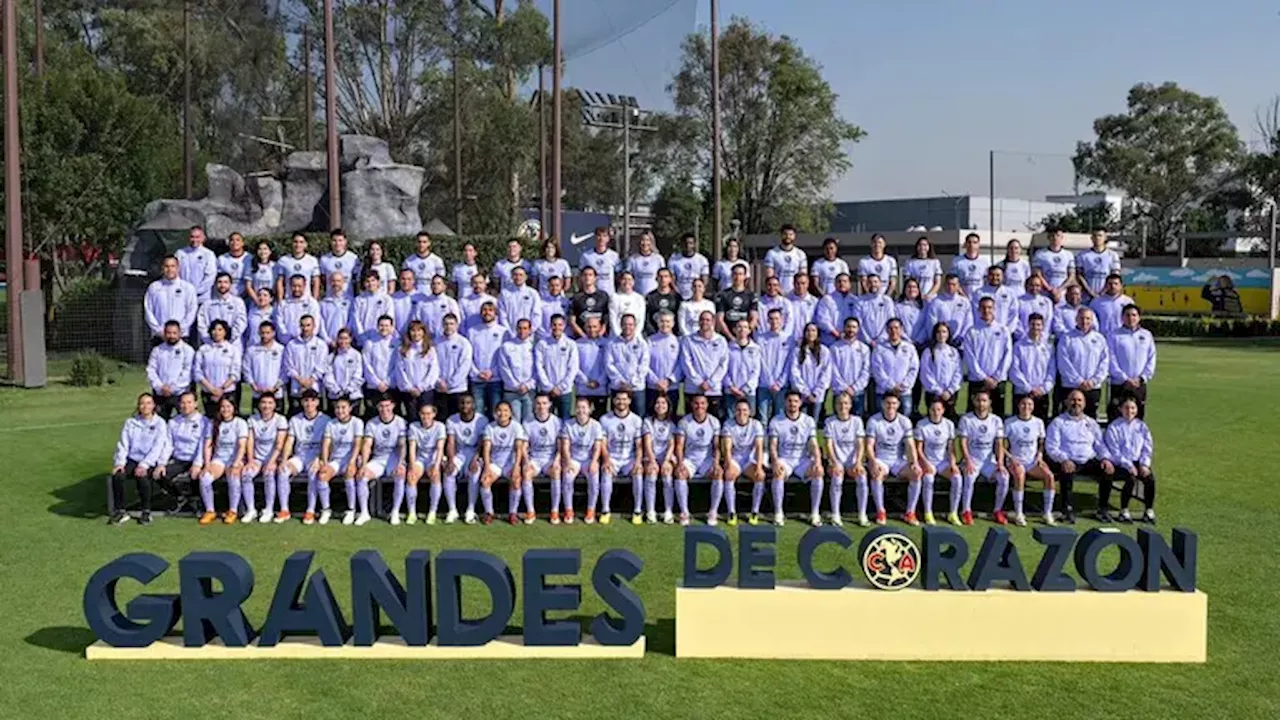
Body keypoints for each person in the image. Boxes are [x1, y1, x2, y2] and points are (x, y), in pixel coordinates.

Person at [1045, 389, 1105, 524]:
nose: (1075, 403)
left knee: (1107, 469)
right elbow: (1051, 447)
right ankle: (1066, 509)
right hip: (1068, 460)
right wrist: (1064, 459)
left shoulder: (1091, 423)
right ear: (1066, 402)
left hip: (1089, 460)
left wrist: (1105, 459)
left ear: (1084, 404)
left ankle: (1102, 509)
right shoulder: (1058, 422)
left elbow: (1100, 445)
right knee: (1067, 470)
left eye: (1079, 400)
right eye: (1073, 400)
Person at [108, 393, 169, 525]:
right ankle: (120, 511)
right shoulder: (130, 422)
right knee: (118, 476)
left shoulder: (160, 423)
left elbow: (158, 446)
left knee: (142, 477)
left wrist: (145, 464)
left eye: (148, 403)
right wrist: (120, 463)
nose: (145, 406)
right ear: (138, 406)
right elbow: (124, 444)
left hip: (150, 460)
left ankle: (146, 511)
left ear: (153, 405)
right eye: (142, 403)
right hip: (132, 458)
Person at [764, 390, 822, 526]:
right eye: (790, 401)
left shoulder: (808, 421)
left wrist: (818, 461)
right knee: (778, 474)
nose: (792, 404)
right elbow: (773, 445)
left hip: (802, 460)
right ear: (785, 402)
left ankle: (815, 513)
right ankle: (778, 513)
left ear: (800, 403)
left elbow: (813, 444)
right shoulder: (776, 421)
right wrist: (775, 461)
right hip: (785, 459)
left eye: (796, 401)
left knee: (818, 472)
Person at [1101, 396, 1157, 524]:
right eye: (1126, 408)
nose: (1129, 411)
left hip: (1138, 461)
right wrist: (1128, 465)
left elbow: (1147, 447)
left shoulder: (1141, 426)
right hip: (1120, 463)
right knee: (1130, 477)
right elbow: (1114, 451)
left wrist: (1144, 464)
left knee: (1150, 478)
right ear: (1121, 409)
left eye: (1132, 408)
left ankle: (1148, 510)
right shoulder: (1114, 427)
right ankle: (1124, 510)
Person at [865, 392, 918, 527]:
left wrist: (914, 463)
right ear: (883, 404)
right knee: (876, 475)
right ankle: (880, 511)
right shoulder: (874, 421)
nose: (891, 406)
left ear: (898, 405)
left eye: (894, 403)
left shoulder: (904, 421)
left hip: (898, 460)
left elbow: (910, 445)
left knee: (916, 474)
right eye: (888, 403)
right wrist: (872, 462)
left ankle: (910, 512)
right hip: (881, 459)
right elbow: (869, 445)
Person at [956, 389, 1008, 526]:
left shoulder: (996, 420)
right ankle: (966, 511)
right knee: (969, 477)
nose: (981, 404)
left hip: (988, 461)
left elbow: (999, 444)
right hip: (972, 459)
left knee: (1004, 477)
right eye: (978, 400)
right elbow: (963, 442)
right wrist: (967, 461)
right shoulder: (966, 419)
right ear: (973, 401)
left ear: (989, 402)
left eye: (984, 400)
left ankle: (998, 510)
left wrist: (1000, 463)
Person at [276, 389, 329, 523]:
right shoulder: (295, 419)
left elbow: (328, 443)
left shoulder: (325, 420)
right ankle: (284, 510)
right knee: (283, 471)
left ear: (317, 402)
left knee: (313, 473)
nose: (309, 404)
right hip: (300, 457)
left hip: (315, 457)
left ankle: (310, 510)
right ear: (301, 402)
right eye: (306, 400)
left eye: (312, 400)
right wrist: (284, 460)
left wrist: (320, 459)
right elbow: (290, 441)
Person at [1004, 394, 1056, 527]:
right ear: (1018, 406)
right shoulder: (1010, 423)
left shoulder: (1038, 422)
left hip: (1032, 461)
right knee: (1020, 476)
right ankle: (1019, 513)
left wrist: (1039, 455)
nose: (1026, 407)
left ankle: (1047, 513)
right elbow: (1000, 446)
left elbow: (1041, 441)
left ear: (1033, 407)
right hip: (1015, 460)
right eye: (1023, 404)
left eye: (1029, 404)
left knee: (1049, 476)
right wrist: (1011, 458)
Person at [153, 392, 208, 516]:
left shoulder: (204, 422)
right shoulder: (173, 422)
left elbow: (203, 445)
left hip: (197, 458)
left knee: (196, 475)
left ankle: (197, 502)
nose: (185, 405)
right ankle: (180, 498)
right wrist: (161, 463)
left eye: (189, 402)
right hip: (179, 459)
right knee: (159, 474)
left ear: (195, 404)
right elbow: (168, 445)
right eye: (183, 403)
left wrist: (198, 464)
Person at [197, 396, 248, 525]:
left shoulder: (240, 423)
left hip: (235, 459)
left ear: (234, 408)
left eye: (228, 406)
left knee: (233, 477)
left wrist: (237, 463)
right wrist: (207, 464)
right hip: (219, 459)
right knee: (205, 478)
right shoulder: (213, 423)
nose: (225, 409)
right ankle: (210, 510)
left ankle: (232, 510)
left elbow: (242, 446)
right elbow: (208, 445)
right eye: (223, 407)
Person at [674, 395, 723, 526]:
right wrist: (680, 464)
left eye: (702, 403)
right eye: (696, 403)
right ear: (691, 405)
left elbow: (716, 446)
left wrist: (716, 463)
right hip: (689, 459)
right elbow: (679, 446)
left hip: (706, 460)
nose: (699, 406)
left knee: (718, 473)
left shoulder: (714, 422)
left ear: (707, 405)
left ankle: (713, 512)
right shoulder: (684, 422)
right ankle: (684, 512)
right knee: (680, 474)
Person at [359, 395, 407, 525]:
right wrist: (363, 465)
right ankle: (364, 513)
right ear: (377, 407)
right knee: (362, 476)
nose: (384, 409)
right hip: (378, 458)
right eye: (381, 406)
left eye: (387, 406)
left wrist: (401, 462)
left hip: (394, 458)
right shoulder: (371, 423)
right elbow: (367, 445)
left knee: (400, 474)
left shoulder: (400, 422)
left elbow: (403, 445)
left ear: (393, 406)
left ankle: (395, 512)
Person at [316, 396, 364, 526]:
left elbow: (357, 444)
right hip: (336, 460)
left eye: (343, 407)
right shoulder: (331, 423)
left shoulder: (357, 422)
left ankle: (351, 510)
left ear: (350, 408)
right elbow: (326, 444)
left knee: (350, 473)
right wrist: (325, 463)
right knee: (322, 475)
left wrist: (352, 462)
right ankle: (326, 510)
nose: (340, 410)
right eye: (337, 407)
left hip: (351, 459)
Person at [480, 401, 529, 526]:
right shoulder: (490, 427)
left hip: (510, 463)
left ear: (511, 413)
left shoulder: (516, 426)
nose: (503, 413)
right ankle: (489, 512)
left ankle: (512, 513)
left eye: (506, 410)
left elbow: (519, 448)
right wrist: (486, 467)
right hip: (495, 463)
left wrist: (517, 467)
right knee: (485, 480)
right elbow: (486, 449)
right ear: (495, 413)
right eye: (500, 411)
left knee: (516, 480)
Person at [599, 391, 645, 525]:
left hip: (629, 458)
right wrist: (606, 460)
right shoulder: (605, 419)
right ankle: (605, 510)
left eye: (624, 399)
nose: (621, 402)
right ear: (613, 401)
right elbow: (603, 443)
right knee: (606, 471)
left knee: (638, 472)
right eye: (618, 399)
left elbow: (639, 444)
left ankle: (637, 511)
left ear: (630, 401)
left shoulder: (636, 420)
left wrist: (637, 461)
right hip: (612, 458)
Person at [558, 397, 605, 524]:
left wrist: (595, 461)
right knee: (567, 477)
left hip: (589, 459)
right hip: (573, 459)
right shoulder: (569, 424)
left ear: (590, 409)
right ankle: (568, 510)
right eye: (578, 407)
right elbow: (565, 446)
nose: (581, 410)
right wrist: (567, 462)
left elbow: (597, 446)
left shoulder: (596, 425)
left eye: (584, 407)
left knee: (594, 478)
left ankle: (591, 509)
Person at [1055, 307, 1109, 418]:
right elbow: (1063, 363)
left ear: (1092, 320)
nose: (1085, 321)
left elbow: (1104, 362)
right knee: (1068, 418)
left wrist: (1094, 381)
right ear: (1076, 319)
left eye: (1088, 318)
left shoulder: (1099, 339)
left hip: (1093, 387)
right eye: (1082, 318)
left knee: (1090, 419)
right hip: (1071, 386)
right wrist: (1078, 381)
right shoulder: (1066, 338)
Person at [822, 393, 866, 528]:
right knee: (837, 477)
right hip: (837, 461)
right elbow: (828, 445)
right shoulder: (830, 422)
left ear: (851, 405)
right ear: (835, 406)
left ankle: (862, 514)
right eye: (840, 403)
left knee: (862, 477)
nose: (843, 406)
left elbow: (860, 444)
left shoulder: (857, 421)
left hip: (853, 461)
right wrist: (834, 462)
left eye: (846, 403)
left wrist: (858, 462)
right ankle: (836, 514)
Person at [243, 393, 288, 524]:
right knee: (246, 474)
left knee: (269, 473)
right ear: (259, 404)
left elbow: (279, 444)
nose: (266, 406)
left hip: (274, 458)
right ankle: (251, 509)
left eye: (270, 403)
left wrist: (271, 461)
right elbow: (250, 442)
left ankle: (268, 509)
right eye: (263, 402)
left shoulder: (280, 420)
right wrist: (250, 460)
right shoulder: (252, 419)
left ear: (274, 405)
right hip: (257, 458)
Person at [913, 397, 959, 526]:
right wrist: (926, 463)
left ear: (943, 410)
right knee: (928, 479)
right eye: (933, 409)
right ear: (929, 410)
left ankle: (953, 513)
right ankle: (928, 512)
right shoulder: (922, 424)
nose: (936, 412)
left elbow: (950, 448)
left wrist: (953, 464)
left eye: (938, 409)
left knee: (957, 478)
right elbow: (918, 449)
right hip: (926, 461)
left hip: (942, 462)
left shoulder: (949, 424)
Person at [963, 297, 1012, 413]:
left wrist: (997, 376)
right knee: (974, 415)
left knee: (998, 414)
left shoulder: (1003, 330)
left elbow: (1008, 354)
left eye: (989, 307)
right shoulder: (972, 331)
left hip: (998, 380)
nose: (986, 310)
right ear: (979, 309)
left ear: (994, 309)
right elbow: (970, 357)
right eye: (983, 308)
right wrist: (983, 377)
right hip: (977, 380)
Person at [720, 398, 764, 527]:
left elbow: (759, 448)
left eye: (744, 410)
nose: (741, 413)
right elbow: (727, 449)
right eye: (738, 410)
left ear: (750, 411)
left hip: (749, 459)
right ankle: (731, 512)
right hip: (735, 459)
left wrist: (759, 467)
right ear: (734, 412)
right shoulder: (728, 424)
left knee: (760, 476)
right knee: (729, 475)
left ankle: (755, 512)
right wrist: (728, 465)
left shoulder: (756, 424)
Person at [1107, 304, 1156, 420]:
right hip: (1119, 383)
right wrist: (1124, 378)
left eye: (1134, 315)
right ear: (1122, 318)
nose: (1130, 318)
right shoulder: (1114, 335)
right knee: (1116, 417)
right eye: (1127, 315)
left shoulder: (1146, 335)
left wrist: (1142, 378)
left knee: (1138, 418)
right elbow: (1110, 358)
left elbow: (1151, 358)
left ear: (1139, 317)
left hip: (1139, 384)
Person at [445, 394, 488, 524]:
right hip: (460, 452)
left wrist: (476, 458)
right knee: (448, 472)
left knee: (475, 472)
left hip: (475, 451)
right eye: (462, 403)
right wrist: (451, 461)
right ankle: (452, 510)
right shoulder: (452, 420)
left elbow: (482, 443)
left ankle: (470, 509)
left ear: (474, 405)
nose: (465, 406)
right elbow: (451, 443)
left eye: (468, 403)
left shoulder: (482, 419)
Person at [681, 311, 730, 418]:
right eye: (702, 319)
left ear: (713, 322)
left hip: (713, 390)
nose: (704, 322)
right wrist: (698, 382)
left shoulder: (721, 340)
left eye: (707, 320)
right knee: (691, 421)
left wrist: (711, 383)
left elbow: (723, 364)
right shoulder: (688, 340)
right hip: (693, 388)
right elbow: (686, 363)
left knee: (714, 422)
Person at [522, 395, 563, 523]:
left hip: (550, 459)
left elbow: (561, 445)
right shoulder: (528, 421)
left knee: (556, 471)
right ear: (534, 405)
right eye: (538, 403)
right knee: (526, 472)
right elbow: (524, 446)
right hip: (535, 459)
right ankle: (530, 511)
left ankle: (554, 511)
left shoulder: (557, 421)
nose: (541, 406)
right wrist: (527, 462)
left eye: (544, 403)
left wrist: (557, 460)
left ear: (550, 405)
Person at [406, 402, 448, 524]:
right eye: (423, 414)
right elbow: (412, 448)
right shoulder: (414, 426)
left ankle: (432, 511)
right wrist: (412, 465)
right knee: (411, 477)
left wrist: (436, 465)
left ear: (434, 414)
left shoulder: (440, 426)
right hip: (420, 458)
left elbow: (440, 448)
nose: (426, 417)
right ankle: (412, 512)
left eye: (429, 414)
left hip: (433, 457)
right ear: (419, 414)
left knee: (436, 476)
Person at [467, 300, 509, 416]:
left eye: (490, 310)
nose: (487, 313)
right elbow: (468, 356)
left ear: (495, 313)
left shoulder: (503, 332)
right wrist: (476, 372)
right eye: (484, 310)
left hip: (495, 378)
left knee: (496, 412)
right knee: (478, 412)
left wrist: (492, 372)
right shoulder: (472, 331)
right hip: (477, 379)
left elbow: (504, 357)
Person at [1010, 314, 1055, 422]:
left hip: (1041, 394)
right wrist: (1029, 388)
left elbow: (1051, 371)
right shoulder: (1018, 346)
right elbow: (1014, 370)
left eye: (1038, 325)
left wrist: (1044, 388)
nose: (1036, 327)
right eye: (1033, 324)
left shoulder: (1048, 347)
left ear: (1043, 327)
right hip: (1022, 392)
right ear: (1028, 325)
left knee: (1040, 427)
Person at [871, 318, 919, 415]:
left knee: (905, 420)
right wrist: (891, 386)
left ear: (901, 329)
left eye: (896, 328)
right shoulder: (879, 348)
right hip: (883, 391)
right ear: (886, 330)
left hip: (904, 391)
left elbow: (914, 368)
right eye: (891, 328)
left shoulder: (910, 347)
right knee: (882, 421)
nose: (894, 331)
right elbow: (877, 369)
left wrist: (904, 385)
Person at [642, 394, 678, 524]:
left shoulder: (671, 423)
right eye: (658, 403)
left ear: (668, 406)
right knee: (651, 472)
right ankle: (651, 511)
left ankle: (668, 511)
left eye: (664, 403)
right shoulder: (648, 421)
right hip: (651, 455)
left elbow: (671, 444)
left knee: (667, 473)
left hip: (666, 457)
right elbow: (647, 443)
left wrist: (667, 460)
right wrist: (652, 460)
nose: (660, 406)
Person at [147, 320, 195, 418]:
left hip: (181, 394)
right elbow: (151, 369)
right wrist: (160, 387)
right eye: (168, 333)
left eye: (174, 333)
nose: (171, 336)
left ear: (180, 333)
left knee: (183, 422)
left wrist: (173, 388)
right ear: (164, 333)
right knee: (160, 422)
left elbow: (188, 371)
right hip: (160, 394)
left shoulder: (188, 350)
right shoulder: (157, 350)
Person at [194, 319, 242, 417]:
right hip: (208, 392)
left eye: (220, 329)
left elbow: (235, 373)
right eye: (214, 329)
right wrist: (211, 389)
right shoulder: (203, 349)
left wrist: (221, 389)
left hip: (227, 392)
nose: (216, 332)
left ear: (225, 331)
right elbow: (197, 372)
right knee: (210, 420)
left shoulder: (233, 350)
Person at [145, 256, 199, 342]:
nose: (170, 269)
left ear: (178, 268)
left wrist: (179, 330)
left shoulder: (188, 288)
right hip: (160, 336)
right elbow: (148, 310)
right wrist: (159, 331)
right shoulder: (154, 287)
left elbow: (192, 311)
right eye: (166, 266)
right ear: (162, 268)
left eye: (173, 266)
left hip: (182, 336)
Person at [534, 314, 578, 419]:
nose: (557, 327)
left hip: (565, 391)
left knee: (565, 420)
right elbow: (539, 366)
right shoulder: (542, 344)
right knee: (546, 420)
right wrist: (548, 386)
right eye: (554, 325)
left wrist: (561, 387)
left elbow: (573, 368)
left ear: (564, 326)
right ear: (550, 326)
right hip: (547, 390)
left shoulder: (570, 344)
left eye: (560, 325)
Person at [605, 314, 650, 417]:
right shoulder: (612, 344)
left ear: (635, 326)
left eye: (630, 324)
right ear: (620, 325)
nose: (627, 327)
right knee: (616, 418)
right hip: (617, 387)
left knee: (639, 418)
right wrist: (621, 382)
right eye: (625, 324)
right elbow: (609, 364)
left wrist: (632, 382)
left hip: (637, 388)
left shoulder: (642, 344)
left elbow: (644, 365)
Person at [284, 314, 329, 412]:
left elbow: (322, 365)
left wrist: (311, 380)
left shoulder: (321, 344)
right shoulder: (292, 345)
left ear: (314, 326)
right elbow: (288, 366)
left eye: (308, 325)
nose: (305, 328)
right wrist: (300, 380)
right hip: (297, 389)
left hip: (315, 388)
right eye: (303, 325)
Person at [919, 322, 963, 422]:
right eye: (938, 332)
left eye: (944, 332)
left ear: (948, 334)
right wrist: (938, 391)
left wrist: (950, 390)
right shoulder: (928, 352)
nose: (941, 335)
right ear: (934, 334)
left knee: (949, 421)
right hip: (933, 393)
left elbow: (958, 372)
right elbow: (926, 373)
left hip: (950, 394)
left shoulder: (953, 352)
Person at [755, 309, 793, 423]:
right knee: (763, 418)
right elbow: (761, 361)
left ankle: (777, 441)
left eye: (777, 319)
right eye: (771, 319)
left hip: (781, 386)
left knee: (779, 417)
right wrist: (770, 381)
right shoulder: (760, 339)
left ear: (781, 320)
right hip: (764, 384)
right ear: (767, 320)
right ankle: (763, 441)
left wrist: (780, 382)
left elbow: (789, 363)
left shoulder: (788, 339)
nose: (774, 322)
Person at [396, 321, 439, 418]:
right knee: (412, 418)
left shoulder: (430, 349)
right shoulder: (403, 350)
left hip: (426, 391)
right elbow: (400, 370)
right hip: (409, 391)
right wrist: (409, 387)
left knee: (426, 418)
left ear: (424, 332)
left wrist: (421, 387)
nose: (416, 334)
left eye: (419, 330)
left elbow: (433, 371)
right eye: (413, 331)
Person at [496, 318, 537, 423]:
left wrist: (528, 385)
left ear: (530, 330)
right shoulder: (507, 346)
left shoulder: (535, 347)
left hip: (529, 391)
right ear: (516, 329)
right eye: (520, 328)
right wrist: (516, 385)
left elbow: (538, 368)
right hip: (512, 391)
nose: (522, 331)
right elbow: (504, 368)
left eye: (525, 328)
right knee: (514, 421)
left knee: (529, 421)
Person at [433, 315, 473, 419]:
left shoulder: (464, 343)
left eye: (451, 324)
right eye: (446, 324)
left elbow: (464, 366)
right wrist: (438, 381)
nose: (448, 326)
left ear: (457, 325)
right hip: (439, 389)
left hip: (458, 389)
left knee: (457, 419)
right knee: (441, 418)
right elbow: (432, 365)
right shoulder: (436, 342)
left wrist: (451, 383)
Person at [830, 318, 871, 419]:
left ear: (858, 329)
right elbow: (833, 370)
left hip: (858, 392)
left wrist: (854, 387)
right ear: (843, 328)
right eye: (848, 326)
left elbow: (866, 370)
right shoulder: (835, 348)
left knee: (857, 423)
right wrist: (844, 387)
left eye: (854, 327)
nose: (851, 329)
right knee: (839, 422)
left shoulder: (864, 348)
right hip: (839, 391)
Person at [789, 323, 831, 418]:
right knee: (801, 422)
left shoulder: (824, 351)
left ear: (817, 333)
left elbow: (826, 374)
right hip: (802, 394)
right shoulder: (797, 351)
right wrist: (805, 392)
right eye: (808, 330)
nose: (810, 333)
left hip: (817, 394)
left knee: (813, 424)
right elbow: (794, 373)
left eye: (813, 330)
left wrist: (816, 392)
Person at [242, 321, 286, 411]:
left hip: (276, 393)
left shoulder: (281, 349)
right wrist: (253, 385)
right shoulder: (252, 350)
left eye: (268, 333)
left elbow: (285, 370)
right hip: (257, 393)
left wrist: (276, 387)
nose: (265, 335)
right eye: (262, 333)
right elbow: (246, 369)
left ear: (273, 333)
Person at [723, 320, 762, 421]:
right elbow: (723, 369)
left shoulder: (756, 348)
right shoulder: (727, 348)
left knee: (749, 420)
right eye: (739, 327)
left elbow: (756, 370)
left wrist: (746, 388)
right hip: (731, 391)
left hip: (749, 392)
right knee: (730, 419)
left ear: (749, 330)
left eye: (745, 327)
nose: (742, 330)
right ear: (734, 330)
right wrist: (731, 386)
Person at [645, 312, 682, 418]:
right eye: (662, 321)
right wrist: (655, 381)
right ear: (657, 323)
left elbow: (680, 364)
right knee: (652, 417)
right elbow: (644, 364)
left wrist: (669, 381)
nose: (665, 324)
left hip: (671, 387)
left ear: (673, 323)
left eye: (668, 321)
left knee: (670, 417)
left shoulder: (678, 341)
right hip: (653, 387)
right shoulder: (650, 341)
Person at [362, 316, 399, 418]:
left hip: (391, 385)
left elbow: (398, 365)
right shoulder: (369, 343)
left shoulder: (397, 343)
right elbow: (366, 364)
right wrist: (377, 382)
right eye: (381, 325)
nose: (384, 328)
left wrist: (387, 382)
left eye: (387, 325)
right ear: (377, 327)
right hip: (374, 386)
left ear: (392, 327)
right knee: (373, 415)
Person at [920, 274, 973, 343]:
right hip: (941, 342)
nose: (951, 287)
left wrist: (961, 336)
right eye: (948, 284)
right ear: (944, 285)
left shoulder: (965, 302)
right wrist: (936, 338)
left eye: (954, 284)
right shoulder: (936, 302)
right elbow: (931, 322)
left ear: (958, 285)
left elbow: (968, 322)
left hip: (960, 343)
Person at [575, 316, 610, 417]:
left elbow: (607, 365)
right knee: (582, 417)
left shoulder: (606, 343)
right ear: (585, 328)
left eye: (595, 326)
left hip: (601, 387)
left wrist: (599, 381)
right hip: (583, 388)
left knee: (600, 416)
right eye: (589, 327)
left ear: (600, 327)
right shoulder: (577, 344)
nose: (592, 329)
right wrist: (585, 381)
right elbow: (575, 366)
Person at [274, 274, 321, 344]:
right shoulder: (283, 304)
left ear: (305, 285)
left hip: (308, 343)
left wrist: (305, 339)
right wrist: (288, 340)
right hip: (287, 343)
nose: (296, 289)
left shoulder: (312, 303)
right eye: (294, 286)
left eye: (299, 286)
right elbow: (279, 324)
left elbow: (316, 324)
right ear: (289, 285)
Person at [352, 271, 395, 346]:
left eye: (373, 280)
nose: (370, 284)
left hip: (380, 340)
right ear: (364, 283)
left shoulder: (386, 299)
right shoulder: (358, 299)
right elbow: (356, 320)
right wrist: (362, 338)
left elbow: (389, 319)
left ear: (378, 282)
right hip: (362, 340)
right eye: (367, 281)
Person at [763, 223, 808, 295]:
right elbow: (770, 277)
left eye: (790, 234)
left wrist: (796, 292)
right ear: (781, 235)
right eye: (785, 234)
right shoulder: (772, 253)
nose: (788, 236)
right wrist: (779, 291)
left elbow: (803, 276)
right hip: (777, 294)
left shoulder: (800, 254)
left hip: (796, 294)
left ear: (794, 236)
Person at [412, 273, 461, 339]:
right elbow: (416, 322)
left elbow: (457, 321)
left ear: (444, 286)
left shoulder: (450, 302)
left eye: (438, 283)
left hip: (444, 339)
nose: (435, 286)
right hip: (427, 339)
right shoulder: (422, 303)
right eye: (433, 284)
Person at [1033, 228, 1076, 302]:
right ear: (1048, 237)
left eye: (1058, 235)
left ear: (1062, 237)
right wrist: (1050, 289)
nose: (1055, 238)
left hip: (1062, 294)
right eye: (1052, 236)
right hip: (1045, 293)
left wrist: (1059, 290)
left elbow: (1071, 276)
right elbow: (1038, 274)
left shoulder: (1068, 255)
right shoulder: (1040, 254)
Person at [177, 225, 218, 303]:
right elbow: (176, 274)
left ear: (203, 238)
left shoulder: (208, 254)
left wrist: (197, 291)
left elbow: (210, 277)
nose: (194, 240)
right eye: (192, 237)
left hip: (202, 298)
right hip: (183, 296)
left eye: (197, 237)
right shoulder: (180, 253)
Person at [1076, 229, 1121, 299]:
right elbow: (1079, 275)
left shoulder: (1113, 255)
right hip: (1087, 296)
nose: (1097, 238)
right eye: (1095, 236)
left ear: (1105, 237)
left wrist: (1104, 291)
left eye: (1100, 236)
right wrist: (1090, 291)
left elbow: (1115, 276)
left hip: (1106, 295)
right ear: (1091, 238)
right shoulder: (1082, 255)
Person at [815, 273, 858, 345]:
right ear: (835, 284)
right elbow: (822, 320)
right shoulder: (827, 299)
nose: (842, 283)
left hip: (849, 340)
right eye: (839, 281)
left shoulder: (855, 300)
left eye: (845, 281)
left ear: (850, 284)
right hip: (829, 340)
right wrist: (836, 334)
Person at [276, 233, 321, 301]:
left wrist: (315, 300)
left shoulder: (312, 260)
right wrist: (280, 300)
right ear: (292, 243)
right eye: (295, 242)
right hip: (289, 301)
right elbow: (280, 282)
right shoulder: (283, 260)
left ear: (306, 244)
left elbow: (316, 282)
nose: (298, 245)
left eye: (301, 242)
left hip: (306, 301)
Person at [972, 265, 1019, 331]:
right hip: (983, 330)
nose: (994, 278)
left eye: (998, 275)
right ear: (987, 276)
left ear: (1003, 276)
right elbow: (976, 313)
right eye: (992, 275)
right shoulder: (979, 293)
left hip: (1005, 331)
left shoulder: (1010, 293)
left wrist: (1008, 330)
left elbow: (1013, 313)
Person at [716, 264, 757, 338]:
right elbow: (720, 319)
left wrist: (745, 334)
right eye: (735, 274)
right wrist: (731, 337)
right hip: (727, 338)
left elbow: (754, 318)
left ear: (745, 276)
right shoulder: (723, 295)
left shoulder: (751, 295)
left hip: (746, 338)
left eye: (740, 274)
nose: (738, 277)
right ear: (731, 276)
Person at [319, 229, 362, 298]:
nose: (337, 243)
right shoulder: (324, 259)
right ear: (330, 242)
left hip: (348, 298)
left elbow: (356, 281)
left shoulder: (353, 258)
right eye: (334, 240)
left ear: (345, 242)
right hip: (330, 298)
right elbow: (323, 280)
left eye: (340, 240)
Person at [568, 266, 609, 338]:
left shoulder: (603, 296)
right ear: (581, 278)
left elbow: (607, 318)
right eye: (585, 275)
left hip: (601, 337)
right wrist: (583, 336)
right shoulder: (576, 297)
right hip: (582, 338)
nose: (587, 277)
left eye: (590, 275)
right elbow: (572, 321)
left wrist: (601, 333)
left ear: (595, 278)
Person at [855, 275, 896, 345]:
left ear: (880, 283)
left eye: (875, 282)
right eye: (870, 282)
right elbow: (858, 322)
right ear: (867, 284)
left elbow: (890, 320)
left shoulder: (887, 300)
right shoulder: (860, 301)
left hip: (884, 341)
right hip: (864, 342)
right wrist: (868, 340)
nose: (873, 284)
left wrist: (881, 338)